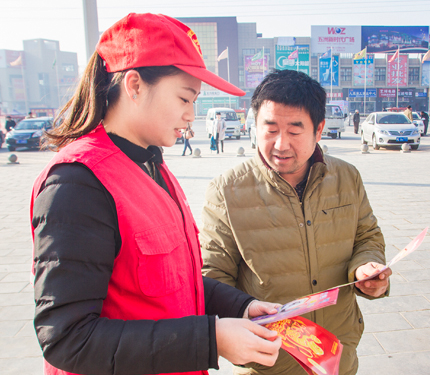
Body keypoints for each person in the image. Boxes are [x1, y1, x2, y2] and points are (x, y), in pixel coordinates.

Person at [30, 13, 281, 375]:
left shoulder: (152, 165)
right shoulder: (77, 184)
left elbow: (176, 281)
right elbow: (68, 339)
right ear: (134, 85)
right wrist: (211, 340)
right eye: (184, 98)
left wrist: (241, 306)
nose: (192, 115)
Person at [200, 70, 390, 375]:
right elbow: (212, 274)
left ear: (318, 130)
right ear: (254, 126)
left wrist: (366, 268)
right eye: (271, 129)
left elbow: (367, 236)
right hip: (269, 360)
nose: (281, 144)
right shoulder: (227, 190)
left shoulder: (346, 177)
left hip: (337, 353)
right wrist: (240, 318)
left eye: (295, 130)